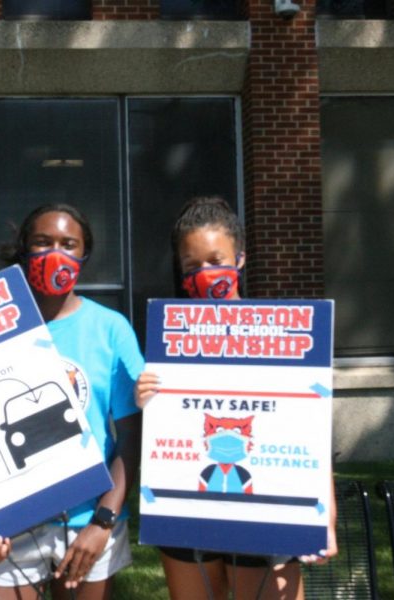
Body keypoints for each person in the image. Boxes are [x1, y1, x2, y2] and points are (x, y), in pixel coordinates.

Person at [134, 196, 337, 600]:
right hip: (186, 512)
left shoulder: (282, 335)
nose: (205, 274)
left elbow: (309, 427)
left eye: (215, 260)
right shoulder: (168, 342)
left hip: (268, 509)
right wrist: (148, 400)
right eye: (193, 266)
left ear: (240, 259)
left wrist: (325, 516)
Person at [0, 204, 143, 600]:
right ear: (25, 250)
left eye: (69, 244)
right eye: (43, 243)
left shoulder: (110, 329)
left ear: (84, 256)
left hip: (88, 520)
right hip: (11, 525)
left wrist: (103, 522)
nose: (55, 253)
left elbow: (132, 435)